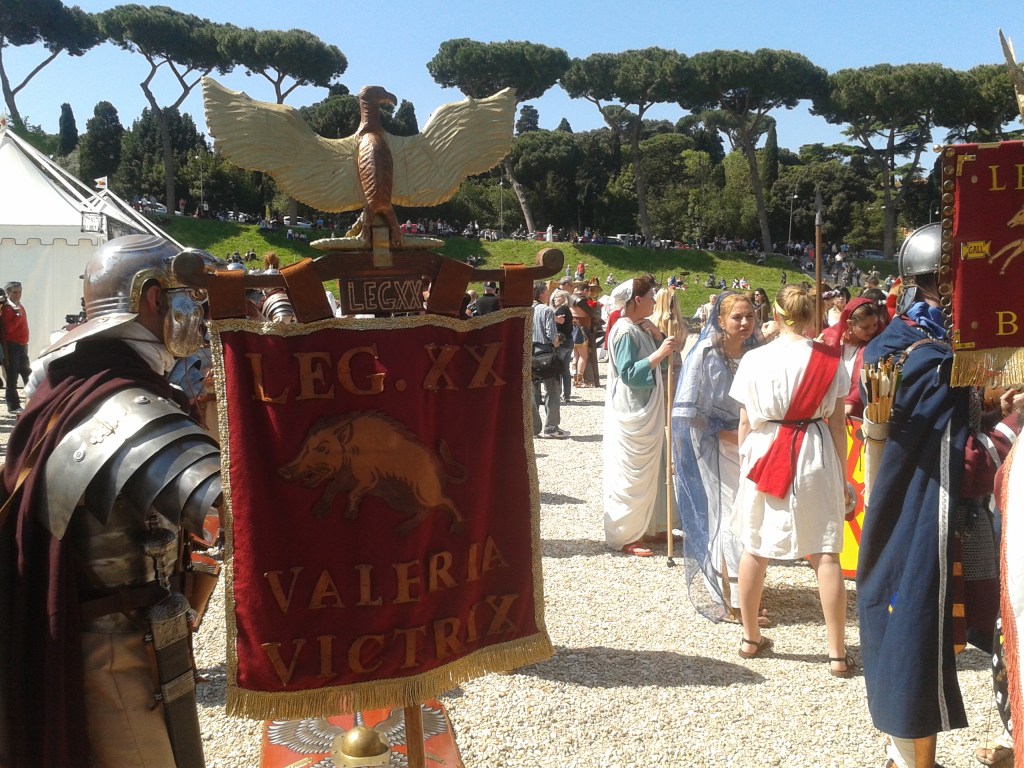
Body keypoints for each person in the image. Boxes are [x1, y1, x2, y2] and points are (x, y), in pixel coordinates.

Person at [0, 235, 221, 768]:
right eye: (190, 294)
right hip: (115, 652)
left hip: (115, 637)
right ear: (152, 298)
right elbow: (232, 510)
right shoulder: (124, 406)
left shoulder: (76, 381)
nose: (203, 311)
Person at [857, 224, 1024, 768]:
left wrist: (998, 403)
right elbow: (968, 463)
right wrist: (1013, 423)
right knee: (913, 629)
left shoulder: (918, 341)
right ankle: (910, 758)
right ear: (947, 282)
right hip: (922, 512)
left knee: (936, 630)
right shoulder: (924, 357)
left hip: (940, 510)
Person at [729, 284, 852, 676]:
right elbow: (836, 423)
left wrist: (748, 461)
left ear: (777, 316)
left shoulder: (754, 359)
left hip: (766, 449)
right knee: (825, 551)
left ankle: (750, 638)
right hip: (813, 449)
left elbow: (746, 422)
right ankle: (836, 653)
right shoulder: (831, 360)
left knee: (755, 545)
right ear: (811, 315)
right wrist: (843, 474)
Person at [673, 292, 761, 622]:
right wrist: (725, 433)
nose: (745, 323)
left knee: (748, 515)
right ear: (720, 320)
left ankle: (742, 587)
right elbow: (687, 412)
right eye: (737, 317)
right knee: (729, 515)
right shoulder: (706, 354)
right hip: (717, 443)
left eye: (749, 316)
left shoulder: (757, 351)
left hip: (753, 443)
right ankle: (734, 599)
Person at [603, 277, 679, 556]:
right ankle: (627, 534)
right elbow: (630, 375)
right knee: (631, 472)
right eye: (650, 297)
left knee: (655, 465)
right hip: (633, 409)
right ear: (637, 300)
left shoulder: (641, 329)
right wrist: (659, 351)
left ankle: (653, 526)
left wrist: (658, 338)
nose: (654, 302)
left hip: (648, 407)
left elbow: (669, 361)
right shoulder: (624, 331)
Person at [532, 282, 568, 439]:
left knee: (532, 392)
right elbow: (551, 336)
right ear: (541, 295)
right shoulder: (546, 311)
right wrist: (559, 340)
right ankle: (551, 427)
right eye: (547, 292)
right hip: (545, 354)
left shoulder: (525, 311)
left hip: (528, 354)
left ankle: (533, 428)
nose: (549, 295)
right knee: (552, 390)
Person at [1, 280, 31, 414]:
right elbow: (8, 330)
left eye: (19, 292)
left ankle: (34, 400)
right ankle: (13, 405)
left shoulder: (19, 306)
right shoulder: (8, 309)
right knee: (12, 377)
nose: (18, 294)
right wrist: (17, 316)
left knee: (27, 374)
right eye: (14, 292)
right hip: (13, 347)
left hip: (22, 346)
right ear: (8, 293)